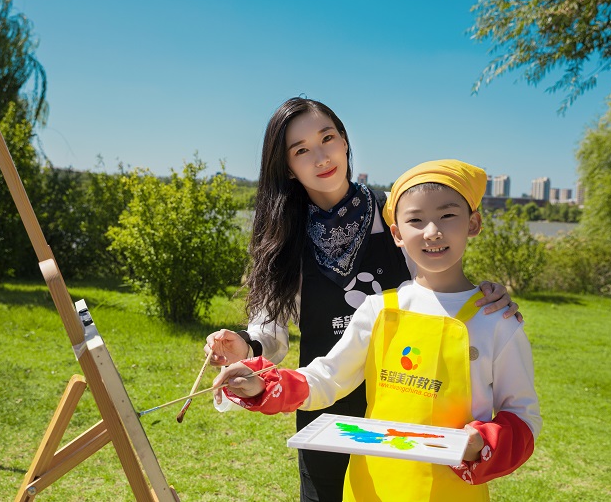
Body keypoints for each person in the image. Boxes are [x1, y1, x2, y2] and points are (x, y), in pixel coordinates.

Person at [205, 98, 521, 501]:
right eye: (302, 150)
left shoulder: (397, 210)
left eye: (328, 138)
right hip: (323, 400)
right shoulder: (283, 235)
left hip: (408, 397)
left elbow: (439, 280)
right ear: (287, 166)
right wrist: (245, 344)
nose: (321, 157)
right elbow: (272, 330)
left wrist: (482, 296)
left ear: (345, 142)